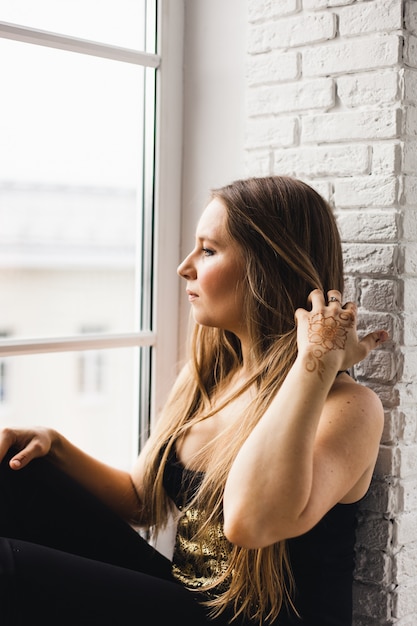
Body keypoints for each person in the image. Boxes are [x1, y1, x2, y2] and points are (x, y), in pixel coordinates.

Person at [0, 175, 388, 626]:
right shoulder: (210, 378)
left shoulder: (349, 407)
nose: (185, 267)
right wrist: (56, 445)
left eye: (208, 250)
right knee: (12, 472)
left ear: (268, 265)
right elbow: (141, 500)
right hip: (188, 601)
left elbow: (250, 524)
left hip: (251, 620)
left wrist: (316, 366)